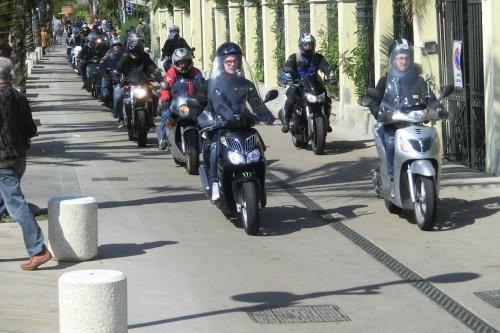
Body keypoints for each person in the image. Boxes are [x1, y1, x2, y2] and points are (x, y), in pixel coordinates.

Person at [201, 42, 275, 201]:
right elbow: (201, 104)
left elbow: (256, 104)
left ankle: (260, 185)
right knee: (214, 148)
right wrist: (201, 117)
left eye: (234, 60)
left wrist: (268, 116)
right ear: (222, 63)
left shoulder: (245, 84)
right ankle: (215, 183)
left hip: (242, 125)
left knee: (258, 147)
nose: (232, 64)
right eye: (228, 61)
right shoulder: (210, 84)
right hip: (220, 127)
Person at [0, 57, 52, 270]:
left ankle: (38, 250)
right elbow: (31, 129)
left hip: (2, 161)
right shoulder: (18, 96)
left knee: (16, 205)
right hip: (18, 158)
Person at [368, 38, 433, 190]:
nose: (403, 61)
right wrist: (379, 112)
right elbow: (374, 99)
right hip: (393, 125)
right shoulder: (386, 80)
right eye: (400, 58)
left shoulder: (418, 80)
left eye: (406, 57)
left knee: (430, 142)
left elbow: (430, 97)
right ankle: (391, 180)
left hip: (415, 124)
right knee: (391, 143)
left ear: (410, 59)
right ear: (393, 59)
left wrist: (438, 107)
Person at [280, 33, 335, 133]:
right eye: (306, 45)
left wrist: (331, 75)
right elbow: (286, 68)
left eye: (310, 45)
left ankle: (326, 121)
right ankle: (286, 122)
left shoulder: (317, 57)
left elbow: (326, 68)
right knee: (290, 100)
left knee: (327, 100)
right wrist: (289, 78)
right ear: (301, 45)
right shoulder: (295, 57)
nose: (308, 47)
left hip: (314, 84)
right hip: (298, 84)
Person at [157, 47, 205, 150]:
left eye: (185, 62)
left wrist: (205, 96)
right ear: (175, 62)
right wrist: (165, 99)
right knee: (166, 114)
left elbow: (202, 86)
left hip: (193, 101)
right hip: (175, 102)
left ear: (190, 61)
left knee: (206, 117)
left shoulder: (196, 72)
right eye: (180, 62)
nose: (183, 64)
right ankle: (163, 138)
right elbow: (165, 87)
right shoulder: (171, 72)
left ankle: (207, 137)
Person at [113, 34, 162, 128]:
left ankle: (152, 115)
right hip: (127, 83)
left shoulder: (145, 56)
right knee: (118, 94)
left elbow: (152, 66)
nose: (134, 53)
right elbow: (118, 67)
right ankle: (121, 117)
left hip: (143, 83)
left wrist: (156, 73)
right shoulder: (125, 57)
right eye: (132, 51)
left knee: (155, 95)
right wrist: (115, 74)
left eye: (136, 51)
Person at [99, 36, 125, 108]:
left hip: (122, 73)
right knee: (105, 80)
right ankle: (105, 94)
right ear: (112, 46)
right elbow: (103, 60)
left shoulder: (125, 52)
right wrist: (102, 63)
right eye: (115, 45)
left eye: (118, 45)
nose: (116, 46)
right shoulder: (109, 52)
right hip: (111, 72)